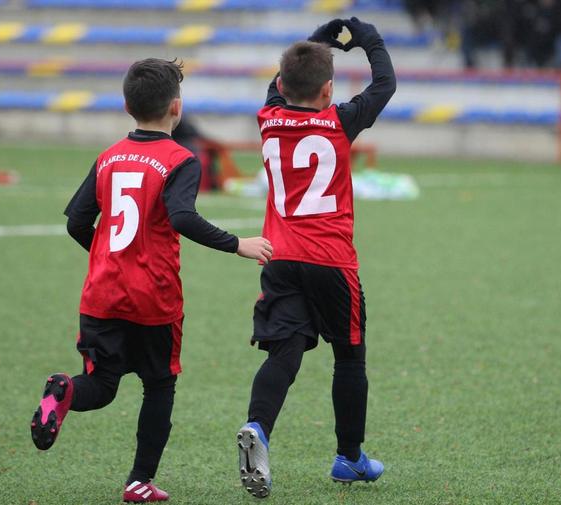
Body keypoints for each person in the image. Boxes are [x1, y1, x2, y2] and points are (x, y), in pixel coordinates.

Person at [30, 58, 273, 503]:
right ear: (177, 108)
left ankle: (63, 392)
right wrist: (237, 243)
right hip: (152, 296)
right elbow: (182, 217)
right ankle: (139, 481)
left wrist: (107, 255)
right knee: (160, 384)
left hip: (101, 291)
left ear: (126, 105)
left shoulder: (108, 156)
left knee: (101, 385)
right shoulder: (181, 159)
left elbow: (77, 222)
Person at [235, 18, 396, 498]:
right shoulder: (339, 120)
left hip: (279, 257)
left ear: (283, 85)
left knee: (285, 350)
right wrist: (366, 37)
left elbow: (280, 84)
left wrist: (316, 40)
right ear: (328, 91)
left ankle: (258, 428)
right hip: (330, 259)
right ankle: (349, 458)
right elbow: (385, 82)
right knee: (349, 356)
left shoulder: (268, 117)